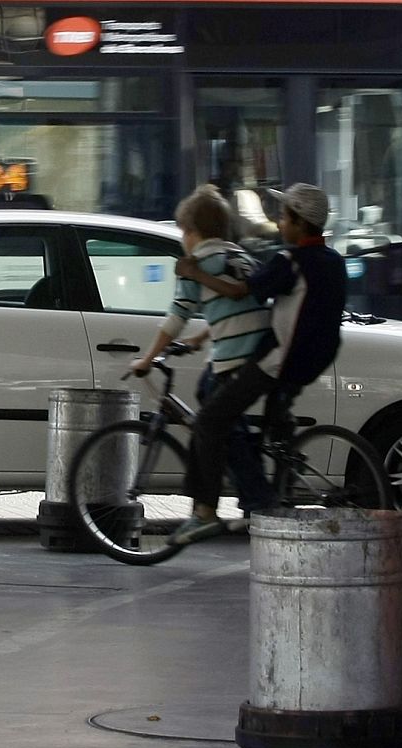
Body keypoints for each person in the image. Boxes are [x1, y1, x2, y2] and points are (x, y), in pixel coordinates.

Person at [172, 183, 347, 544]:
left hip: (280, 360)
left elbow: (241, 292)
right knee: (255, 425)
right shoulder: (334, 261)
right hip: (315, 359)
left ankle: (211, 510)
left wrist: (195, 273)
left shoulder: (290, 262)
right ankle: (266, 491)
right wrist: (205, 336)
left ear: (299, 223)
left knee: (211, 419)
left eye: (284, 217)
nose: (279, 224)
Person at [130, 187, 273, 542]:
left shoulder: (196, 265)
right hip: (257, 354)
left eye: (182, 231)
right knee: (207, 394)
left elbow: (176, 316)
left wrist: (147, 359)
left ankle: (234, 506)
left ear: (192, 232)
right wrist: (200, 339)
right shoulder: (239, 256)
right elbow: (235, 307)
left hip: (237, 360)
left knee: (212, 425)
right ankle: (250, 495)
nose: (182, 239)